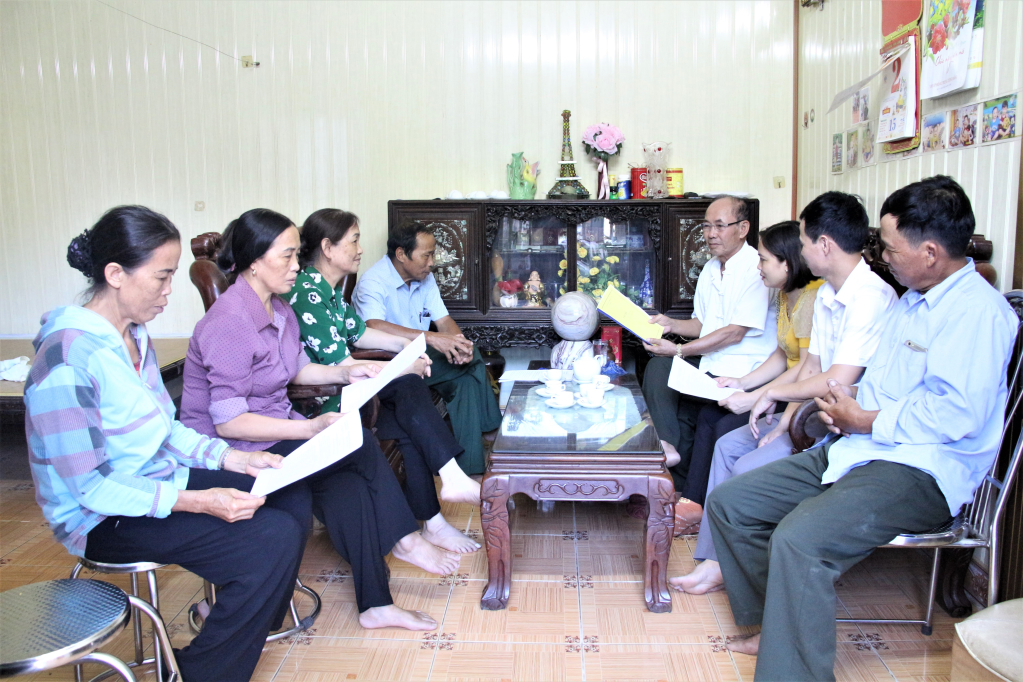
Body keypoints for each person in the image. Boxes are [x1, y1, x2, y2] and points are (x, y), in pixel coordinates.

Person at [707, 176, 1018, 681]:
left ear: (931, 253)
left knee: (800, 539)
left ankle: (794, 670)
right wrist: (843, 405)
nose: (882, 258)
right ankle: (778, 627)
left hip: (920, 469)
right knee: (732, 503)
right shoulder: (912, 300)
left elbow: (957, 415)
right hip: (861, 446)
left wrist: (865, 419)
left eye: (890, 249)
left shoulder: (977, 313)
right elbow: (876, 383)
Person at [25, 206, 305, 682]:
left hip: (155, 479)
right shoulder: (68, 358)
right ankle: (199, 670)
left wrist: (234, 458)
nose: (170, 290)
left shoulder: (133, 336)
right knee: (269, 538)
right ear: (116, 274)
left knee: (283, 485)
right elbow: (92, 487)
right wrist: (202, 500)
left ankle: (239, 619)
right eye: (162, 277)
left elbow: (165, 430)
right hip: (102, 517)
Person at [181, 208, 461, 632]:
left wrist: (349, 373)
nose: (298, 265)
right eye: (288, 256)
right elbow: (229, 424)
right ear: (254, 261)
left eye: (298, 255)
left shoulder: (279, 310)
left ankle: (376, 605)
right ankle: (406, 540)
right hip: (234, 451)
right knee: (357, 445)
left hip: (273, 434)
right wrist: (309, 428)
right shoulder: (229, 322)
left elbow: (297, 370)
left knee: (350, 485)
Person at [673, 191, 897, 594]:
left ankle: (738, 569)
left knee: (744, 466)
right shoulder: (827, 293)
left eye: (804, 241)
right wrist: (770, 404)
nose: (802, 250)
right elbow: (808, 366)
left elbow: (837, 378)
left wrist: (772, 399)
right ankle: (713, 561)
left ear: (823, 245)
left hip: (837, 420)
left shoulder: (868, 298)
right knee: (727, 446)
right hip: (810, 409)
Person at [289, 208, 481, 553]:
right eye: (354, 241)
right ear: (328, 248)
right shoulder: (308, 293)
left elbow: (360, 333)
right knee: (408, 386)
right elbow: (344, 366)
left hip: (348, 387)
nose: (361, 249)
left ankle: (436, 521)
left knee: (410, 416)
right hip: (326, 399)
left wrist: (408, 348)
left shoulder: (327, 290)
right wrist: (404, 366)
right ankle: (449, 482)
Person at [671, 220, 822, 525]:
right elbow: (782, 354)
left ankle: (716, 509)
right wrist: (741, 383)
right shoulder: (785, 295)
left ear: (787, 263)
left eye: (763, 260)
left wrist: (755, 397)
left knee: (725, 425)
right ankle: (694, 502)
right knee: (709, 415)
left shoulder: (811, 300)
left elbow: (806, 369)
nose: (758, 267)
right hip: (784, 385)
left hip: (802, 395)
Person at [641, 196, 777, 494]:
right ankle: (667, 448)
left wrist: (679, 350)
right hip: (712, 361)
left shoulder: (756, 268)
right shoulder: (711, 268)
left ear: (743, 228)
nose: (710, 234)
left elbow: (734, 333)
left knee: (684, 400)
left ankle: (683, 486)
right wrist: (670, 325)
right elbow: (702, 324)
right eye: (706, 226)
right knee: (659, 368)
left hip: (743, 368)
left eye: (719, 226)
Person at [353, 221, 502, 474]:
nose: (432, 262)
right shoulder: (373, 281)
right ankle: (493, 430)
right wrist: (433, 339)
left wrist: (458, 343)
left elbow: (443, 320)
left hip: (425, 359)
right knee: (473, 358)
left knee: (465, 380)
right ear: (401, 254)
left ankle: (471, 468)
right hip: (392, 363)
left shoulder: (424, 277)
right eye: (427, 255)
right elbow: (373, 325)